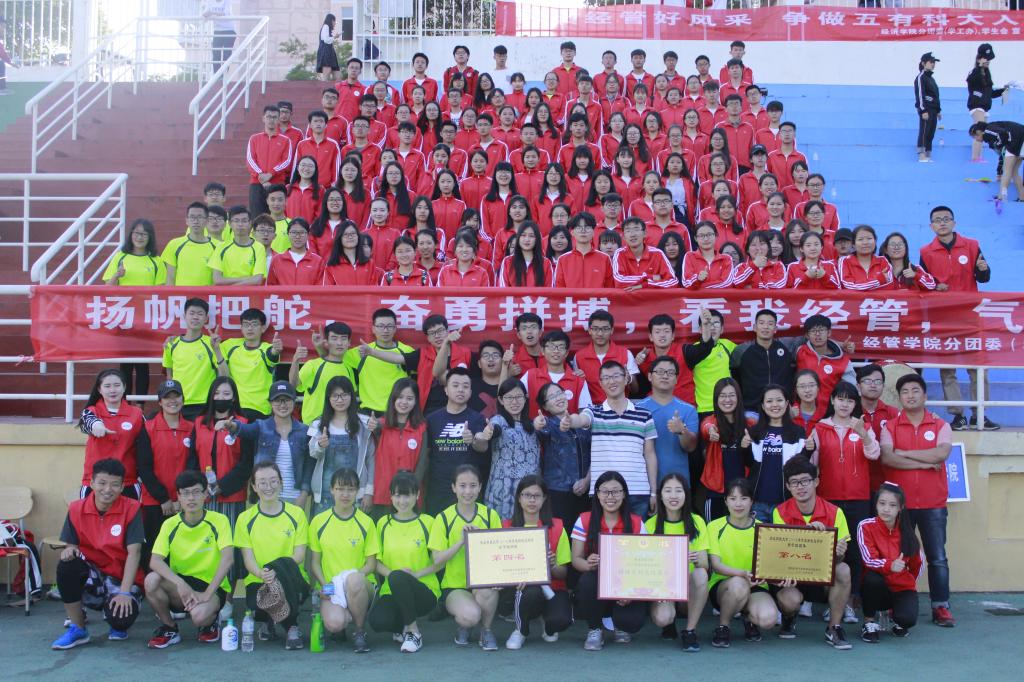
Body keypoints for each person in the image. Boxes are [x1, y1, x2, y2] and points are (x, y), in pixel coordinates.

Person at [879, 373, 956, 627]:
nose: (910, 396)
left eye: (915, 391)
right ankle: (897, 604)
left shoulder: (941, 425)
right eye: (905, 392)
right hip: (899, 507)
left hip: (933, 503)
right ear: (899, 397)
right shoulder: (890, 427)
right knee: (899, 556)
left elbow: (941, 454)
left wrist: (906, 453)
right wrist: (924, 462)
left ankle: (940, 606)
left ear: (925, 395)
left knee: (937, 557)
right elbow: (888, 458)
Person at [919, 205, 997, 431]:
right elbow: (924, 283)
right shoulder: (926, 252)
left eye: (946, 219)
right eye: (937, 220)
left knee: (977, 366)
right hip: (943, 317)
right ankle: (957, 415)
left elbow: (983, 277)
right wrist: (935, 287)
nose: (942, 223)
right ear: (931, 226)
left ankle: (979, 414)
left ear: (954, 223)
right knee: (948, 368)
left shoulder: (972, 245)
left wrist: (983, 268)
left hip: (971, 316)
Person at [51, 459, 144, 650]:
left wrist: (124, 592)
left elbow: (134, 553)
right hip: (92, 574)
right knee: (67, 566)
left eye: (115, 484)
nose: (107, 489)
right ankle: (78, 628)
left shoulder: (132, 508)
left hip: (120, 576)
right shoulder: (76, 508)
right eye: (102, 483)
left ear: (122, 487)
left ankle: (114, 617)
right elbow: (71, 546)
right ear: (91, 483)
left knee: (121, 619)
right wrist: (68, 550)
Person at [144, 470, 234, 648]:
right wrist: (180, 584)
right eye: (185, 493)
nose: (191, 498)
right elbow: (155, 561)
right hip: (182, 587)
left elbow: (228, 559)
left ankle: (211, 622)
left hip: (211, 586)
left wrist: (208, 593)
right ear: (178, 496)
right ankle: (169, 628)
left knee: (199, 617)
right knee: (151, 580)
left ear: (205, 494)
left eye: (196, 492)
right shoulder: (169, 524)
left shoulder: (219, 520)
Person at [770, 456, 853, 649]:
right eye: (794, 482)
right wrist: (808, 537)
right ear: (788, 486)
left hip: (821, 576)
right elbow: (781, 553)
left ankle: (834, 627)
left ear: (816, 481)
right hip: (793, 576)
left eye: (805, 481)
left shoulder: (835, 512)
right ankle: (789, 617)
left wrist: (838, 551)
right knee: (789, 601)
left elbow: (839, 559)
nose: (800, 487)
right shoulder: (779, 512)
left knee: (844, 569)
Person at [564, 360, 657, 516]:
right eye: (606, 378)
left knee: (637, 533)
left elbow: (650, 455)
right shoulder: (594, 411)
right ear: (600, 383)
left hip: (637, 490)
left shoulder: (644, 415)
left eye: (616, 376)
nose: (611, 381)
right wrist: (570, 421)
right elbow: (581, 419)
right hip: (604, 492)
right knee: (603, 533)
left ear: (626, 378)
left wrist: (653, 492)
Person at [234, 462, 310, 649]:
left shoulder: (297, 514)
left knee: (283, 585)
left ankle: (292, 627)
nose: (268, 487)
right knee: (256, 603)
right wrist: (262, 574)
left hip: (291, 576)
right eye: (262, 482)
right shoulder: (245, 519)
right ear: (254, 487)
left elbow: (299, 555)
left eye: (273, 481)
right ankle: (267, 621)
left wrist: (276, 571)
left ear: (281, 483)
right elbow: (248, 559)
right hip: (259, 579)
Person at [185, 377, 252, 588]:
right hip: (203, 496)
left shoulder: (243, 423)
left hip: (231, 495)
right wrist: (200, 488)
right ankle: (206, 591)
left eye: (226, 393)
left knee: (229, 547)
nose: (221, 397)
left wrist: (221, 486)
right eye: (217, 393)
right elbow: (192, 459)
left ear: (233, 398)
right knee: (207, 545)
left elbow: (246, 463)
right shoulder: (199, 423)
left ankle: (229, 597)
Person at [428, 464, 503, 651]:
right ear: (453, 487)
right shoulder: (443, 518)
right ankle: (466, 625)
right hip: (455, 586)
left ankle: (486, 630)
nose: (467, 491)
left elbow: (499, 553)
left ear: (480, 487)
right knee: (470, 616)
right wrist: (462, 541)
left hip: (482, 582)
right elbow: (437, 560)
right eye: (462, 486)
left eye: (472, 485)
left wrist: (499, 577)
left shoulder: (490, 515)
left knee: (488, 590)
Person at [571, 470, 648, 650]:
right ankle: (595, 628)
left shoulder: (636, 522)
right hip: (597, 580)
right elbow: (576, 560)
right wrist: (588, 564)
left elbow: (644, 563)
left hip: (627, 580)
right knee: (587, 581)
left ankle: (620, 624)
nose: (610, 497)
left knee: (632, 622)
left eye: (616, 491)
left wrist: (630, 592)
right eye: (605, 491)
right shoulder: (584, 520)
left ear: (624, 494)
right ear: (597, 494)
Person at [308, 467, 378, 653]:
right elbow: (314, 563)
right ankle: (346, 617)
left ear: (357, 492)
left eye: (350, 489)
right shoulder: (318, 522)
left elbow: (371, 565)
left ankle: (360, 631)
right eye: (340, 489)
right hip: (331, 588)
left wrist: (346, 580)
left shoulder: (366, 522)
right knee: (334, 624)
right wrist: (326, 585)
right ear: (331, 490)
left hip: (360, 584)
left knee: (354, 580)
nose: (345, 494)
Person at [369, 472, 439, 653]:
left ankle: (413, 633)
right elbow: (376, 562)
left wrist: (415, 575)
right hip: (391, 589)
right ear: (391, 496)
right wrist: (395, 575)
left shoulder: (429, 522)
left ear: (417, 495)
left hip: (424, 590)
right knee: (378, 621)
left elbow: (440, 562)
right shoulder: (383, 523)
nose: (402, 501)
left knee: (399, 577)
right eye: (398, 495)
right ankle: (403, 624)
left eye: (407, 495)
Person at [502, 475, 573, 649]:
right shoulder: (506, 527)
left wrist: (552, 564)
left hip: (553, 586)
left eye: (537, 495)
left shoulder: (557, 527)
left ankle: (547, 624)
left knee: (561, 620)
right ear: (519, 498)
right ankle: (521, 630)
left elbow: (563, 573)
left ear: (544, 498)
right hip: (521, 588)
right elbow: (501, 566)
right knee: (530, 593)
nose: (532, 500)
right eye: (527, 495)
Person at [706, 478, 778, 649]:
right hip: (724, 586)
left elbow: (769, 564)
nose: (738, 504)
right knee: (739, 585)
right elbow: (716, 565)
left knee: (768, 619)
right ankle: (723, 626)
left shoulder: (763, 529)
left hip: (756, 585)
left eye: (744, 498)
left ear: (752, 501)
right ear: (726, 501)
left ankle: (748, 618)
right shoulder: (715, 526)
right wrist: (743, 574)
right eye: (733, 498)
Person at [217, 382, 311, 508]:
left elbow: (309, 466)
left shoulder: (304, 431)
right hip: (265, 495)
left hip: (294, 496)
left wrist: (304, 494)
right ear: (270, 403)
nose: (282, 404)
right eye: (277, 400)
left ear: (294, 402)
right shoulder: (261, 426)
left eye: (287, 400)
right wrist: (232, 425)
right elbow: (244, 429)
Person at [645, 474, 709, 651]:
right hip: (663, 585)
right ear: (660, 495)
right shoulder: (650, 525)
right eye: (668, 491)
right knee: (663, 617)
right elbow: (646, 567)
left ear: (686, 494)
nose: (673, 496)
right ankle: (669, 622)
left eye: (678, 491)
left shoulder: (697, 522)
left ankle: (690, 630)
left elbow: (705, 564)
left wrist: (696, 559)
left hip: (687, 585)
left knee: (701, 574)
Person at [857, 482, 923, 643]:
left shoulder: (907, 531)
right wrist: (890, 566)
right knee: (872, 579)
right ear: (876, 504)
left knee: (907, 620)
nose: (886, 509)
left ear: (900, 508)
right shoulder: (865, 526)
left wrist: (908, 583)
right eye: (882, 503)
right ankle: (869, 623)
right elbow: (868, 560)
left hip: (901, 587)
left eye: (892, 505)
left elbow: (918, 564)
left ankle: (897, 617)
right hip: (878, 586)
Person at [137, 380, 193, 568]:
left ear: (183, 399)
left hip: (184, 501)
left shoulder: (192, 428)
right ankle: (153, 584)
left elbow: (193, 465)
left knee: (183, 549)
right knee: (156, 549)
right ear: (160, 402)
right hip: (156, 502)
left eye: (176, 396)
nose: (172, 401)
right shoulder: (148, 428)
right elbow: (144, 468)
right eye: (167, 397)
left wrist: (181, 498)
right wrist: (164, 499)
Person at [422, 368, 491, 514]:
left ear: (470, 392)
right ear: (446, 390)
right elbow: (425, 454)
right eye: (455, 385)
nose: (460, 390)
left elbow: (483, 446)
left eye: (465, 386)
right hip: (438, 487)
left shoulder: (477, 418)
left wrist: (473, 440)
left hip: (467, 490)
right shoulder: (432, 419)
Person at [307, 376, 376, 517]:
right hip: (325, 492)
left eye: (344, 395)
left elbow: (371, 459)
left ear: (352, 396)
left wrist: (369, 492)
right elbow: (312, 453)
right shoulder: (318, 424)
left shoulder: (364, 424)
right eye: (335, 396)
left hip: (355, 492)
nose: (340, 400)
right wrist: (320, 445)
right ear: (328, 398)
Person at [77, 369, 149, 500]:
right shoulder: (91, 411)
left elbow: (148, 443)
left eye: (117, 385)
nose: (112, 390)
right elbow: (87, 422)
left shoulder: (137, 414)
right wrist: (96, 425)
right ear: (99, 389)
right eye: (107, 386)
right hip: (95, 481)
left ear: (124, 387)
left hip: (127, 481)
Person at [747, 384, 812, 521]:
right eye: (769, 401)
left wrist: (810, 449)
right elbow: (748, 463)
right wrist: (744, 447)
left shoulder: (797, 432)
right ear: (763, 406)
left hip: (787, 502)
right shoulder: (754, 432)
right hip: (758, 502)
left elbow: (800, 466)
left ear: (787, 403)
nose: (775, 405)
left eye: (779, 400)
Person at [533, 382, 591, 528]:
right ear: (545, 406)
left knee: (583, 535)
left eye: (560, 393)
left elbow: (594, 455)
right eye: (552, 397)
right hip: (557, 492)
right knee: (560, 534)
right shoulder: (548, 424)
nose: (558, 398)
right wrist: (537, 423)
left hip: (585, 489)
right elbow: (540, 428)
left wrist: (586, 481)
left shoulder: (581, 423)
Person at [483, 379, 540, 519]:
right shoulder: (499, 420)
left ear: (525, 398)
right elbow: (493, 429)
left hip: (530, 491)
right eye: (509, 397)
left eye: (519, 397)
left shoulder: (533, 425)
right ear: (501, 400)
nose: (514, 402)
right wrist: (487, 433)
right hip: (503, 490)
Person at [637, 356, 698, 485]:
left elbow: (691, 447)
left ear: (676, 379)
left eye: (670, 373)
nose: (665, 376)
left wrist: (682, 431)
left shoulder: (688, 410)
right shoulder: (637, 409)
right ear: (649, 376)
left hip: (677, 484)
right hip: (643, 482)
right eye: (660, 372)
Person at [343, 308, 416, 415]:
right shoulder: (361, 351)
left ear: (395, 328)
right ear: (373, 329)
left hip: (398, 412)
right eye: (381, 326)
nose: (385, 330)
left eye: (389, 326)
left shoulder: (407, 351)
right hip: (368, 412)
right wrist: (320, 348)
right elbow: (332, 359)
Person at [214, 307, 282, 420]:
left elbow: (272, 355)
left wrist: (276, 350)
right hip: (233, 408)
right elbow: (223, 376)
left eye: (254, 324)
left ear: (263, 328)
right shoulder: (229, 345)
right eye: (246, 324)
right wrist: (216, 349)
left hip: (260, 410)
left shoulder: (267, 348)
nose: (250, 328)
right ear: (241, 328)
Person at [730, 309, 796, 414]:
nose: (765, 327)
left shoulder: (787, 347)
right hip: (752, 410)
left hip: (782, 408)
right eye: (761, 323)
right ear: (754, 327)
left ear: (775, 329)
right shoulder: (741, 350)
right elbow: (734, 377)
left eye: (770, 324)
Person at [162, 297, 218, 420]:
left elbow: (223, 374)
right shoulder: (171, 344)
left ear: (206, 319)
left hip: (205, 404)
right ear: (184, 316)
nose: (195, 317)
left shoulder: (211, 344)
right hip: (179, 404)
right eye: (191, 313)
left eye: (200, 314)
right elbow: (169, 376)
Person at [573, 310, 640, 404]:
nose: (600, 333)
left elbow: (635, 390)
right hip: (592, 409)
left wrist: (629, 379)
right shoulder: (579, 357)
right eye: (595, 329)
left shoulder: (625, 353)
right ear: (589, 330)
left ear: (612, 330)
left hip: (620, 407)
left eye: (605, 329)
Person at [795, 314, 856, 416]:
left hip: (828, 414)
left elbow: (852, 389)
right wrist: (841, 344)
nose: (817, 334)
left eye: (821, 330)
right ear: (807, 335)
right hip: (800, 412)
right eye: (813, 331)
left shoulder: (843, 361)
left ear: (829, 333)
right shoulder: (800, 351)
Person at [685, 308, 736, 418]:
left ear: (722, 329)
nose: (712, 327)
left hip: (727, 405)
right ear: (700, 329)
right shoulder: (694, 350)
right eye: (708, 324)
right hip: (704, 408)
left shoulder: (729, 345)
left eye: (716, 324)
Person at [246, 105, 293, 216]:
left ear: (278, 119)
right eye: (268, 117)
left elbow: (286, 161)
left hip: (277, 184)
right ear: (263, 118)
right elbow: (250, 160)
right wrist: (261, 176)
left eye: (274, 117)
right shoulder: (254, 138)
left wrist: (271, 174)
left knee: (276, 217)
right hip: (257, 184)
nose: (271, 120)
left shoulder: (286, 140)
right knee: (256, 217)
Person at [209, 206, 266, 285]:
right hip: (227, 293)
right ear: (229, 223)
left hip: (248, 293)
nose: (240, 224)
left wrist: (233, 288)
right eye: (236, 221)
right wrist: (248, 279)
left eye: (244, 221)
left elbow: (257, 280)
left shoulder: (259, 247)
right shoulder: (221, 247)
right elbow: (217, 279)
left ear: (250, 223)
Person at [163, 203, 217, 286]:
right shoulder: (174, 244)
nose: (196, 221)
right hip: (181, 294)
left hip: (207, 294)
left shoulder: (217, 246)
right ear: (187, 220)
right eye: (192, 217)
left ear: (207, 221)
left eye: (200, 217)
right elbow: (170, 278)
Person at [970, 120, 1024, 201]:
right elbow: (1002, 155)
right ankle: (1022, 197)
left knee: (1007, 171)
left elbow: (1002, 134)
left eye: (974, 137)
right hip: (1020, 139)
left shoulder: (988, 131)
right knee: (1014, 172)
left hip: (1015, 140)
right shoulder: (991, 133)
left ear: (979, 132)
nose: (976, 139)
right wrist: (999, 172)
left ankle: (1001, 196)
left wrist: (998, 144)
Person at [267, 218, 324, 285]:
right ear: (288, 234)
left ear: (308, 235)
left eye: (302, 233)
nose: (297, 236)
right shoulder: (277, 260)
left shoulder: (318, 261)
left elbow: (321, 288)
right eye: (294, 232)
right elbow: (271, 286)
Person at [915, 52, 941, 163]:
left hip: (933, 109)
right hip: (926, 109)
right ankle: (921, 155)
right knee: (924, 130)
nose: (933, 64)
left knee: (931, 132)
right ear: (923, 63)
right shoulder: (921, 77)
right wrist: (923, 110)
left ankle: (928, 154)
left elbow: (936, 95)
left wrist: (938, 110)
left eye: (934, 62)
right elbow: (920, 94)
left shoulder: (932, 79)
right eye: (931, 62)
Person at [204, 0, 235, 73]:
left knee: (226, 53)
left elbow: (225, 13)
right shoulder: (210, 2)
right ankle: (217, 74)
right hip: (217, 30)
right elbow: (205, 13)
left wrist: (212, 13)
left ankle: (224, 73)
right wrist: (206, 14)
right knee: (216, 53)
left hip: (229, 30)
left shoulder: (227, 1)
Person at [315, 13, 339, 81]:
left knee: (337, 74)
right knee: (327, 72)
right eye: (334, 21)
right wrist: (334, 37)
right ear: (331, 20)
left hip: (329, 52)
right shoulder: (326, 26)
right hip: (326, 52)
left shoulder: (327, 28)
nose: (335, 24)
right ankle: (325, 85)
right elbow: (326, 40)